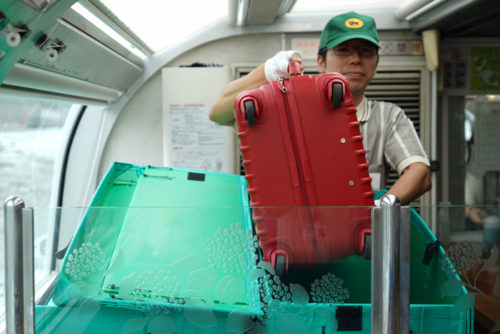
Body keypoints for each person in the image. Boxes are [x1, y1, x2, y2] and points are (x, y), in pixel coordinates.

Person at [209, 11, 431, 204]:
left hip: (363, 243)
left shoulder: (387, 117)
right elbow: (218, 113)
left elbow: (420, 174)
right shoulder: (286, 110)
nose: (355, 59)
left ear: (375, 65)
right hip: (293, 243)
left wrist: (381, 208)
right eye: (343, 50)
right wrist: (268, 70)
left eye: (366, 51)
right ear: (321, 62)